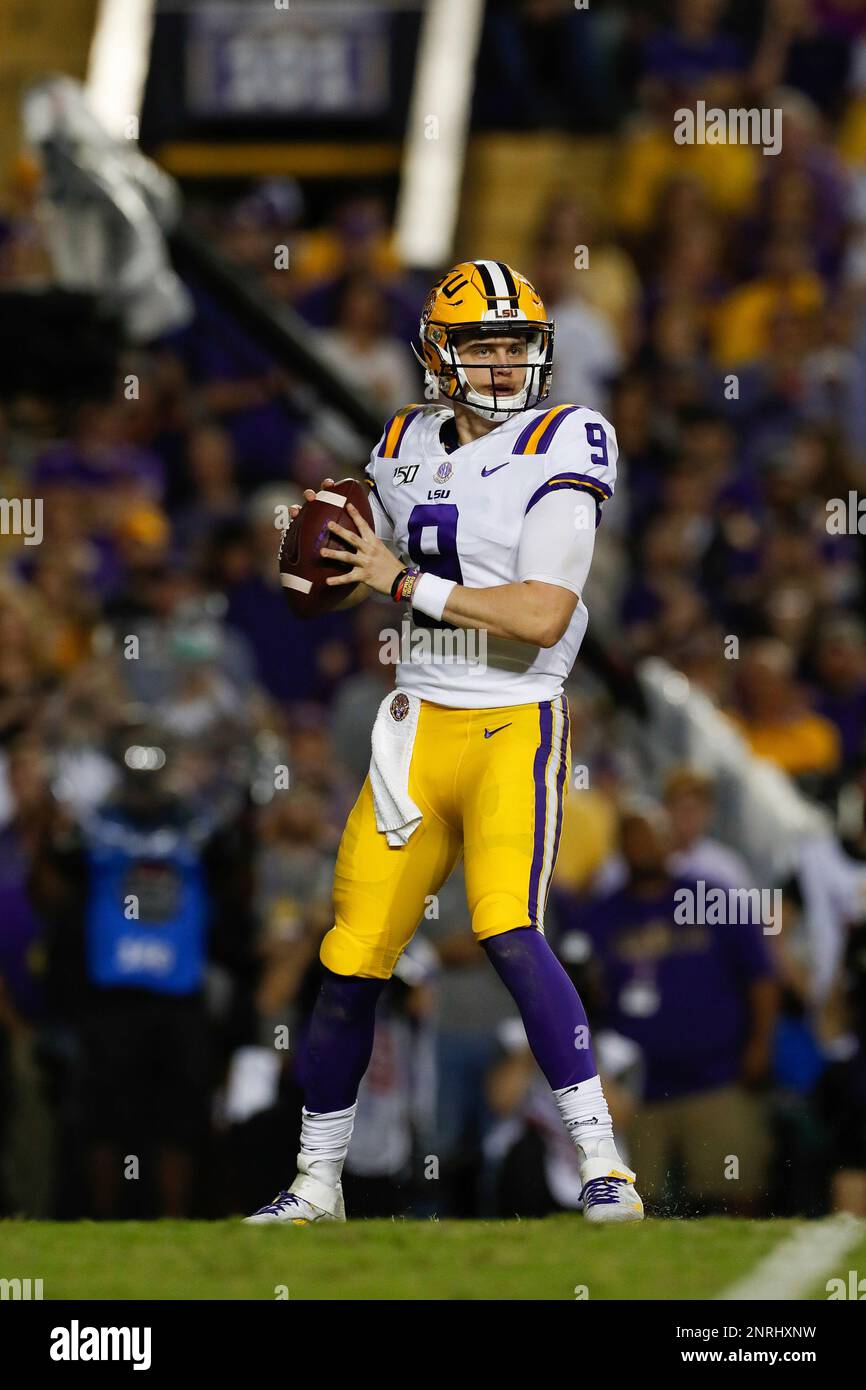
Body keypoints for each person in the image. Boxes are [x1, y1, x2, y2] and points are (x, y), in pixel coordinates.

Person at [246, 259, 643, 1226]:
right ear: (439, 353)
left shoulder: (569, 438)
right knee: (350, 961)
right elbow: (348, 564)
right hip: (416, 726)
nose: (506, 364)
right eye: (485, 345)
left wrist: (394, 581)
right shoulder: (398, 440)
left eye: (518, 346)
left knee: (507, 926)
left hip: (514, 719)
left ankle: (603, 1165)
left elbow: (545, 613)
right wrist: (310, 551)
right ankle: (316, 1184)